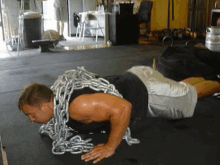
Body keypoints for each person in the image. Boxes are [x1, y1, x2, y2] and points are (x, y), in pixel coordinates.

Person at [17, 66, 220, 164]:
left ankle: (217, 81)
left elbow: (123, 108)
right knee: (181, 88)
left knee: (194, 96)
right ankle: (203, 78)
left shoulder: (77, 106)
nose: (31, 120)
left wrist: (110, 147)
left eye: (32, 114)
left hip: (148, 93)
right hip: (133, 76)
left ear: (45, 105)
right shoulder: (57, 92)